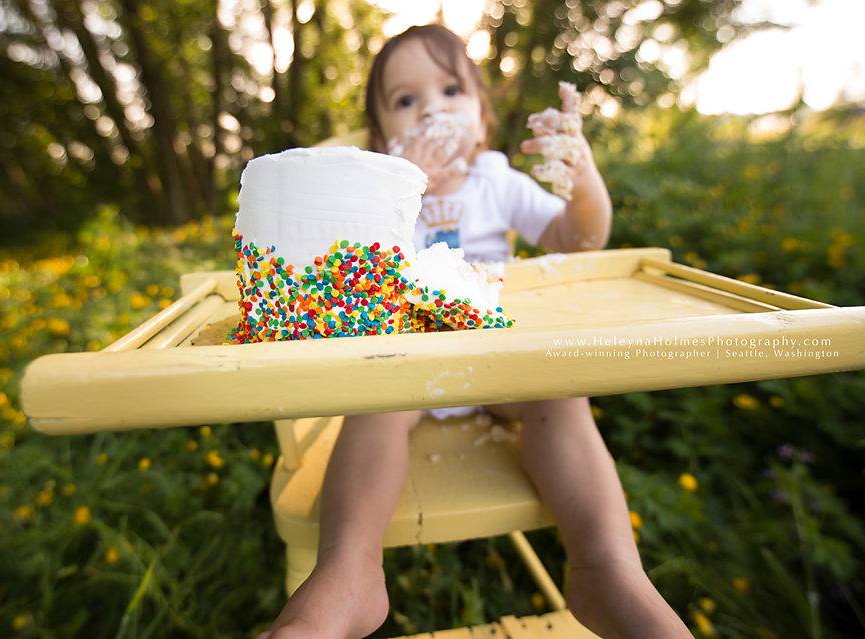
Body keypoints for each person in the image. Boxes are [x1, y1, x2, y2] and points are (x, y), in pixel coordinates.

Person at [258, 24, 694, 639]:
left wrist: (583, 181)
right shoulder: (378, 204)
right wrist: (395, 189)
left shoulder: (498, 182)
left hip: (501, 366)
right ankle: (349, 571)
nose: (431, 106)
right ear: (383, 140)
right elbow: (339, 277)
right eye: (406, 100)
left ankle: (607, 569)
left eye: (450, 90)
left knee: (561, 395)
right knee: (371, 410)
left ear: (481, 120)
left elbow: (579, 240)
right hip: (404, 371)